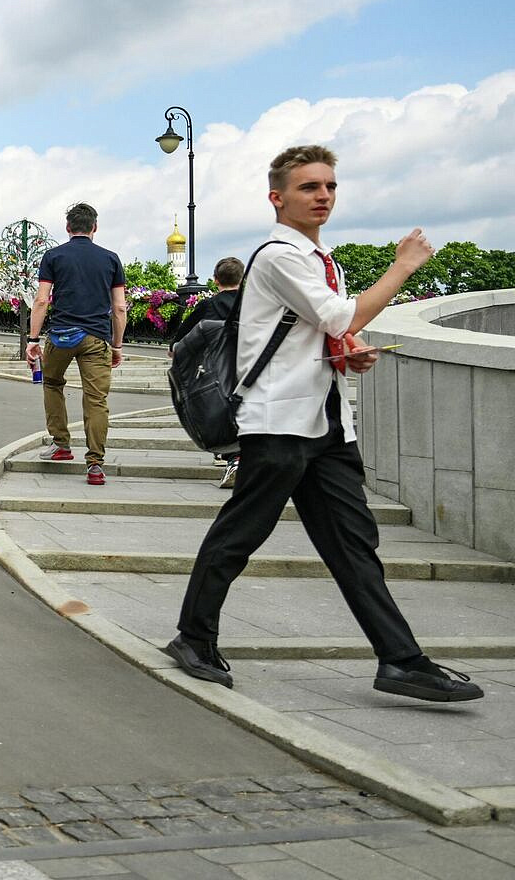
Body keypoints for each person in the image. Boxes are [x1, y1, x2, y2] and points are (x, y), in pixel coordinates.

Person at [165, 145, 481, 702]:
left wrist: (346, 353)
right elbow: (343, 314)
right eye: (310, 187)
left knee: (353, 544)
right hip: (280, 421)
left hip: (326, 424)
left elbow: (321, 331)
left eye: (330, 186)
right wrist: (403, 265)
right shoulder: (280, 255)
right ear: (277, 197)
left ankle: (401, 661)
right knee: (242, 533)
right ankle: (193, 637)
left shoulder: (318, 258)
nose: (324, 196)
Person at [23, 203, 126, 486]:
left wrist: (32, 340)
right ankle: (95, 465)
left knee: (52, 383)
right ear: (94, 228)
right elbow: (119, 308)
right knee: (96, 399)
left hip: (61, 336)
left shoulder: (53, 256)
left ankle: (61, 444)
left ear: (68, 228)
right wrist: (116, 345)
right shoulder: (111, 259)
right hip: (97, 338)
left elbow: (42, 300)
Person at [168, 256, 247, 488]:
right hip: (249, 367)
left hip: (216, 370)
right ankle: (240, 455)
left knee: (221, 408)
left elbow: (181, 339)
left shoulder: (208, 305)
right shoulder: (251, 304)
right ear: (242, 280)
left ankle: (232, 455)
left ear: (215, 281)